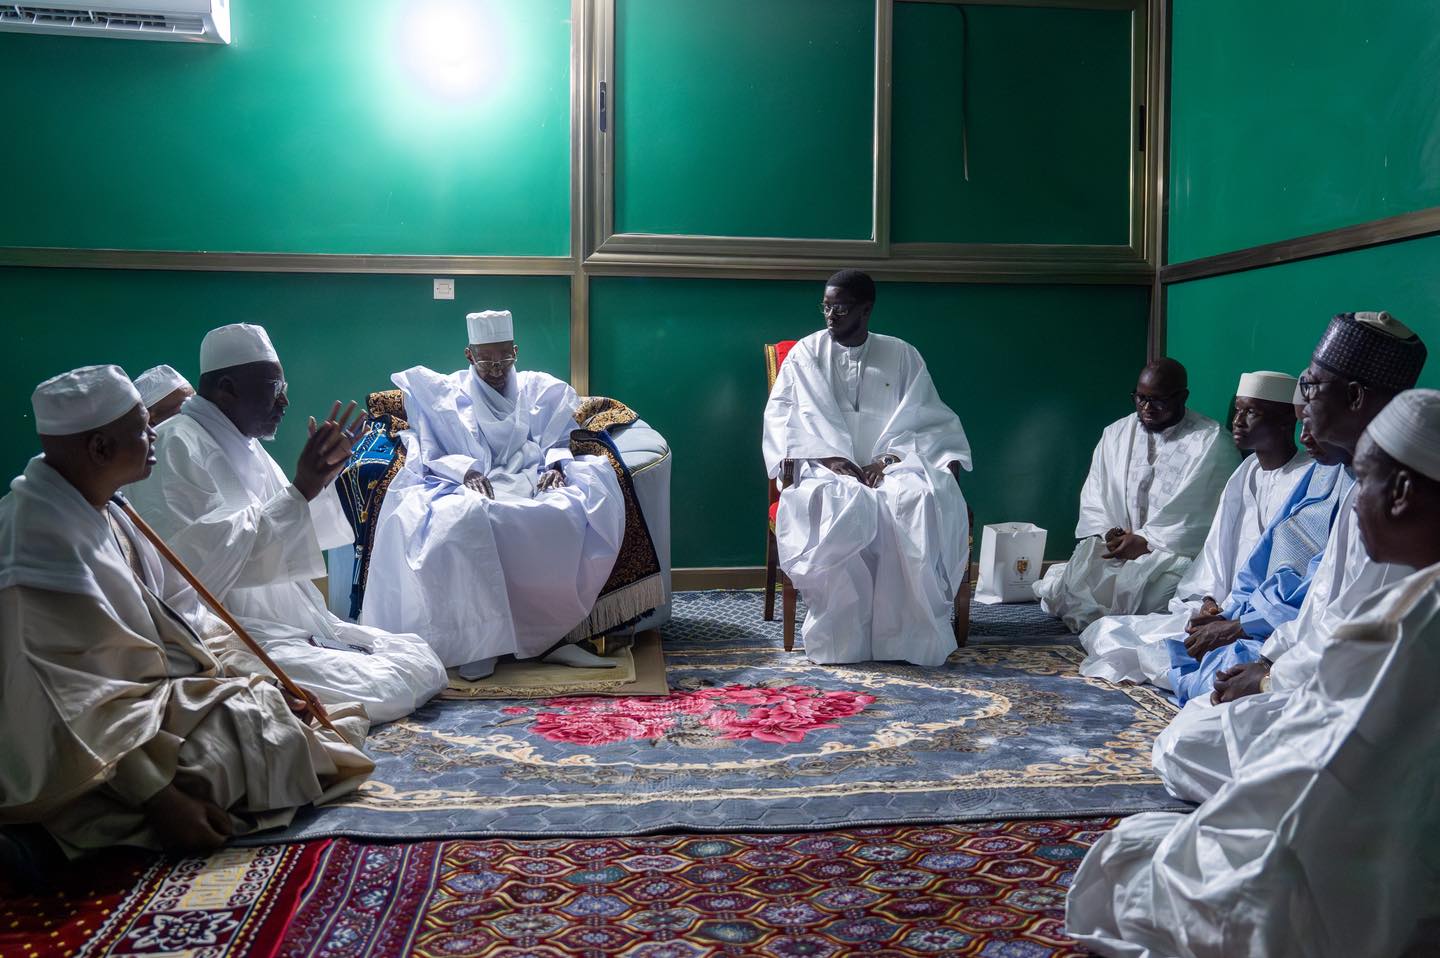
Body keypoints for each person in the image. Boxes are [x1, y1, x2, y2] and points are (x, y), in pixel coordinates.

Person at [1066, 389, 1440, 958]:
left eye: (1365, 482)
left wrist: (1264, 679)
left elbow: (1320, 778)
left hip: (1381, 867)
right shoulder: (1414, 594)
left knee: (1123, 866)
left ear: (1404, 493)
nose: (1353, 501)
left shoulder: (1411, 619)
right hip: (1371, 794)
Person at [0, 365, 372, 858]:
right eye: (141, 426)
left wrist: (262, 674)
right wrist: (160, 798)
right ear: (99, 449)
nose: (155, 433)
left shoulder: (106, 505)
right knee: (247, 745)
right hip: (78, 748)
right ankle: (48, 834)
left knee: (282, 715)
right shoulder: (39, 544)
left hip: (142, 703)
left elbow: (181, 614)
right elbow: (71, 701)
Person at [1151, 311, 1426, 802]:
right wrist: (1270, 659)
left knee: (1186, 745)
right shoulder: (1362, 479)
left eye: (1312, 386)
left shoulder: (1400, 501)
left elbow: (1362, 642)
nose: (1303, 405)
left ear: (1356, 397)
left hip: (1367, 710)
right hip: (1309, 672)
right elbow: (1324, 604)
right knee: (1192, 728)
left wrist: (1271, 675)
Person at [127, 324, 447, 723]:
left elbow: (292, 519)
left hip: (291, 619)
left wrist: (319, 483)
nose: (286, 400)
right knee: (386, 687)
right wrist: (301, 490)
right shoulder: (176, 444)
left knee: (420, 658)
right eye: (274, 388)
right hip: (229, 630)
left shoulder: (247, 445)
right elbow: (196, 568)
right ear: (228, 388)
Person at [361, 309, 626, 676]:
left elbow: (557, 437)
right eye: (487, 361)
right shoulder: (447, 395)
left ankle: (554, 639)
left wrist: (555, 465)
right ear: (469, 356)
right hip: (472, 483)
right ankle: (481, 644)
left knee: (567, 510)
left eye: (506, 358)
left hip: (528, 476)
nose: (498, 369)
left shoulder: (537, 389)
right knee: (465, 524)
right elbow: (431, 450)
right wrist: (465, 470)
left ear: (516, 351)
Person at [762, 269, 972, 666]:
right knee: (839, 502)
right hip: (822, 465)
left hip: (893, 462)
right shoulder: (806, 354)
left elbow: (926, 419)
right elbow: (781, 418)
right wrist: (826, 457)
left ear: (866, 309)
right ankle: (843, 638)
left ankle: (907, 637)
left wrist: (888, 460)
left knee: (916, 500)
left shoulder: (902, 354)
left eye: (839, 308)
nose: (829, 316)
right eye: (825, 306)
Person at [1078, 371, 1311, 687]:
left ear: (1288, 419)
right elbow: (1216, 552)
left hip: (1257, 621)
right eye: (1238, 410)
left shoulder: (1305, 480)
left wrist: (1237, 618)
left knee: (1186, 659)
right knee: (1106, 632)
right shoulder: (1246, 473)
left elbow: (1292, 573)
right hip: (1224, 607)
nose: (1238, 421)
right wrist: (1208, 599)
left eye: (1251, 412)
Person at [1035, 359, 1237, 632]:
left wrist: (1146, 542)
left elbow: (1199, 516)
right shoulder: (1116, 433)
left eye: (1157, 400)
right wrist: (1110, 532)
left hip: (1170, 553)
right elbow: (1096, 491)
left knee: (1157, 599)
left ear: (1182, 397)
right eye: (1140, 398)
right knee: (1071, 586)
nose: (1146, 407)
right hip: (1117, 548)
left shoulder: (1210, 441)